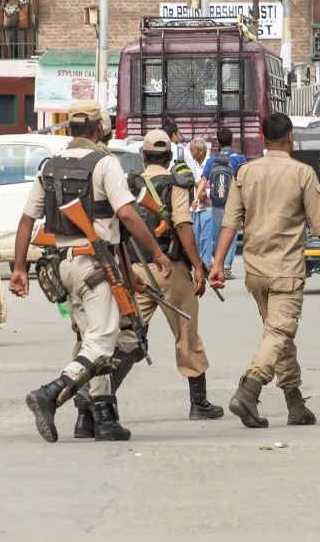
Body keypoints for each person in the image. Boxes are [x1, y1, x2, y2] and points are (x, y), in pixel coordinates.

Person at [10, 102, 172, 443]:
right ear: (100, 129)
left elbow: (27, 220)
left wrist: (20, 268)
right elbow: (127, 215)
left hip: (64, 264)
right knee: (104, 342)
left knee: (90, 339)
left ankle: (100, 417)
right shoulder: (105, 163)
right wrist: (156, 253)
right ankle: (49, 394)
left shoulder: (49, 166)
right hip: (95, 265)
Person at [209, 112, 320, 428]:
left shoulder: (245, 173)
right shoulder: (302, 173)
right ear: (291, 138)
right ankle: (249, 389)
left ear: (263, 138)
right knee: (278, 332)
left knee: (279, 334)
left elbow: (229, 223)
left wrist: (218, 263)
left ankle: (295, 402)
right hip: (285, 270)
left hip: (256, 272)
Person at [107, 129, 224, 426]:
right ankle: (199, 403)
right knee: (187, 334)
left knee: (128, 336)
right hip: (170, 270)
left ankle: (103, 402)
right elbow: (183, 226)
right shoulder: (175, 184)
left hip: (136, 271)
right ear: (171, 156)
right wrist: (198, 265)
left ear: (143, 156)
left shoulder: (129, 184)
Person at [203, 127, 246, 278]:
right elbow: (244, 179)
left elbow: (204, 179)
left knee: (217, 234)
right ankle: (226, 266)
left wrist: (196, 198)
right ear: (232, 140)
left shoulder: (212, 160)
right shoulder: (239, 158)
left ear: (218, 142)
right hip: (233, 202)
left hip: (216, 203)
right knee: (231, 233)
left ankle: (217, 264)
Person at [186, 137, 213, 265]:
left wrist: (205, 194)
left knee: (206, 238)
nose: (190, 153)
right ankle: (197, 264)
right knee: (195, 237)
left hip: (208, 206)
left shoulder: (211, 163)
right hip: (194, 206)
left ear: (201, 151)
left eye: (193, 150)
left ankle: (206, 264)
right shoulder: (192, 164)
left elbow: (219, 185)